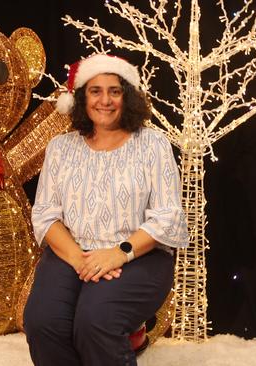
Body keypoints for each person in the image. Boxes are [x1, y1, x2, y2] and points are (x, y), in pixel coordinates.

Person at [23, 54, 188, 366]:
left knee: (95, 321)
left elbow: (167, 215)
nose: (105, 100)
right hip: (72, 252)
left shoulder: (153, 144)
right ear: (82, 98)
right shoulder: (61, 148)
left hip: (139, 256)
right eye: (95, 91)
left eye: (115, 90)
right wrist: (79, 259)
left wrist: (118, 253)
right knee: (42, 322)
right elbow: (45, 213)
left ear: (128, 96)